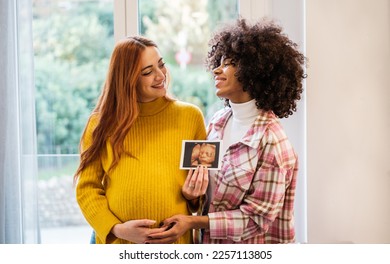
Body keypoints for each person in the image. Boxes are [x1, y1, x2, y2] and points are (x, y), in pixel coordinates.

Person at [146, 18, 306, 244]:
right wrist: (193, 195)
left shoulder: (273, 143)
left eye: (228, 63)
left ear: (255, 71)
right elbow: (210, 194)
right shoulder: (218, 123)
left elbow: (256, 220)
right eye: (218, 61)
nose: (217, 69)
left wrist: (193, 222)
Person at [73, 36, 208, 244]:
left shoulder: (191, 117)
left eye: (161, 65)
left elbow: (202, 195)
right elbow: (87, 188)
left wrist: (193, 196)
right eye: (147, 72)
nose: (160, 75)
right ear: (127, 79)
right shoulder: (100, 123)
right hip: (119, 245)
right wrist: (117, 230)